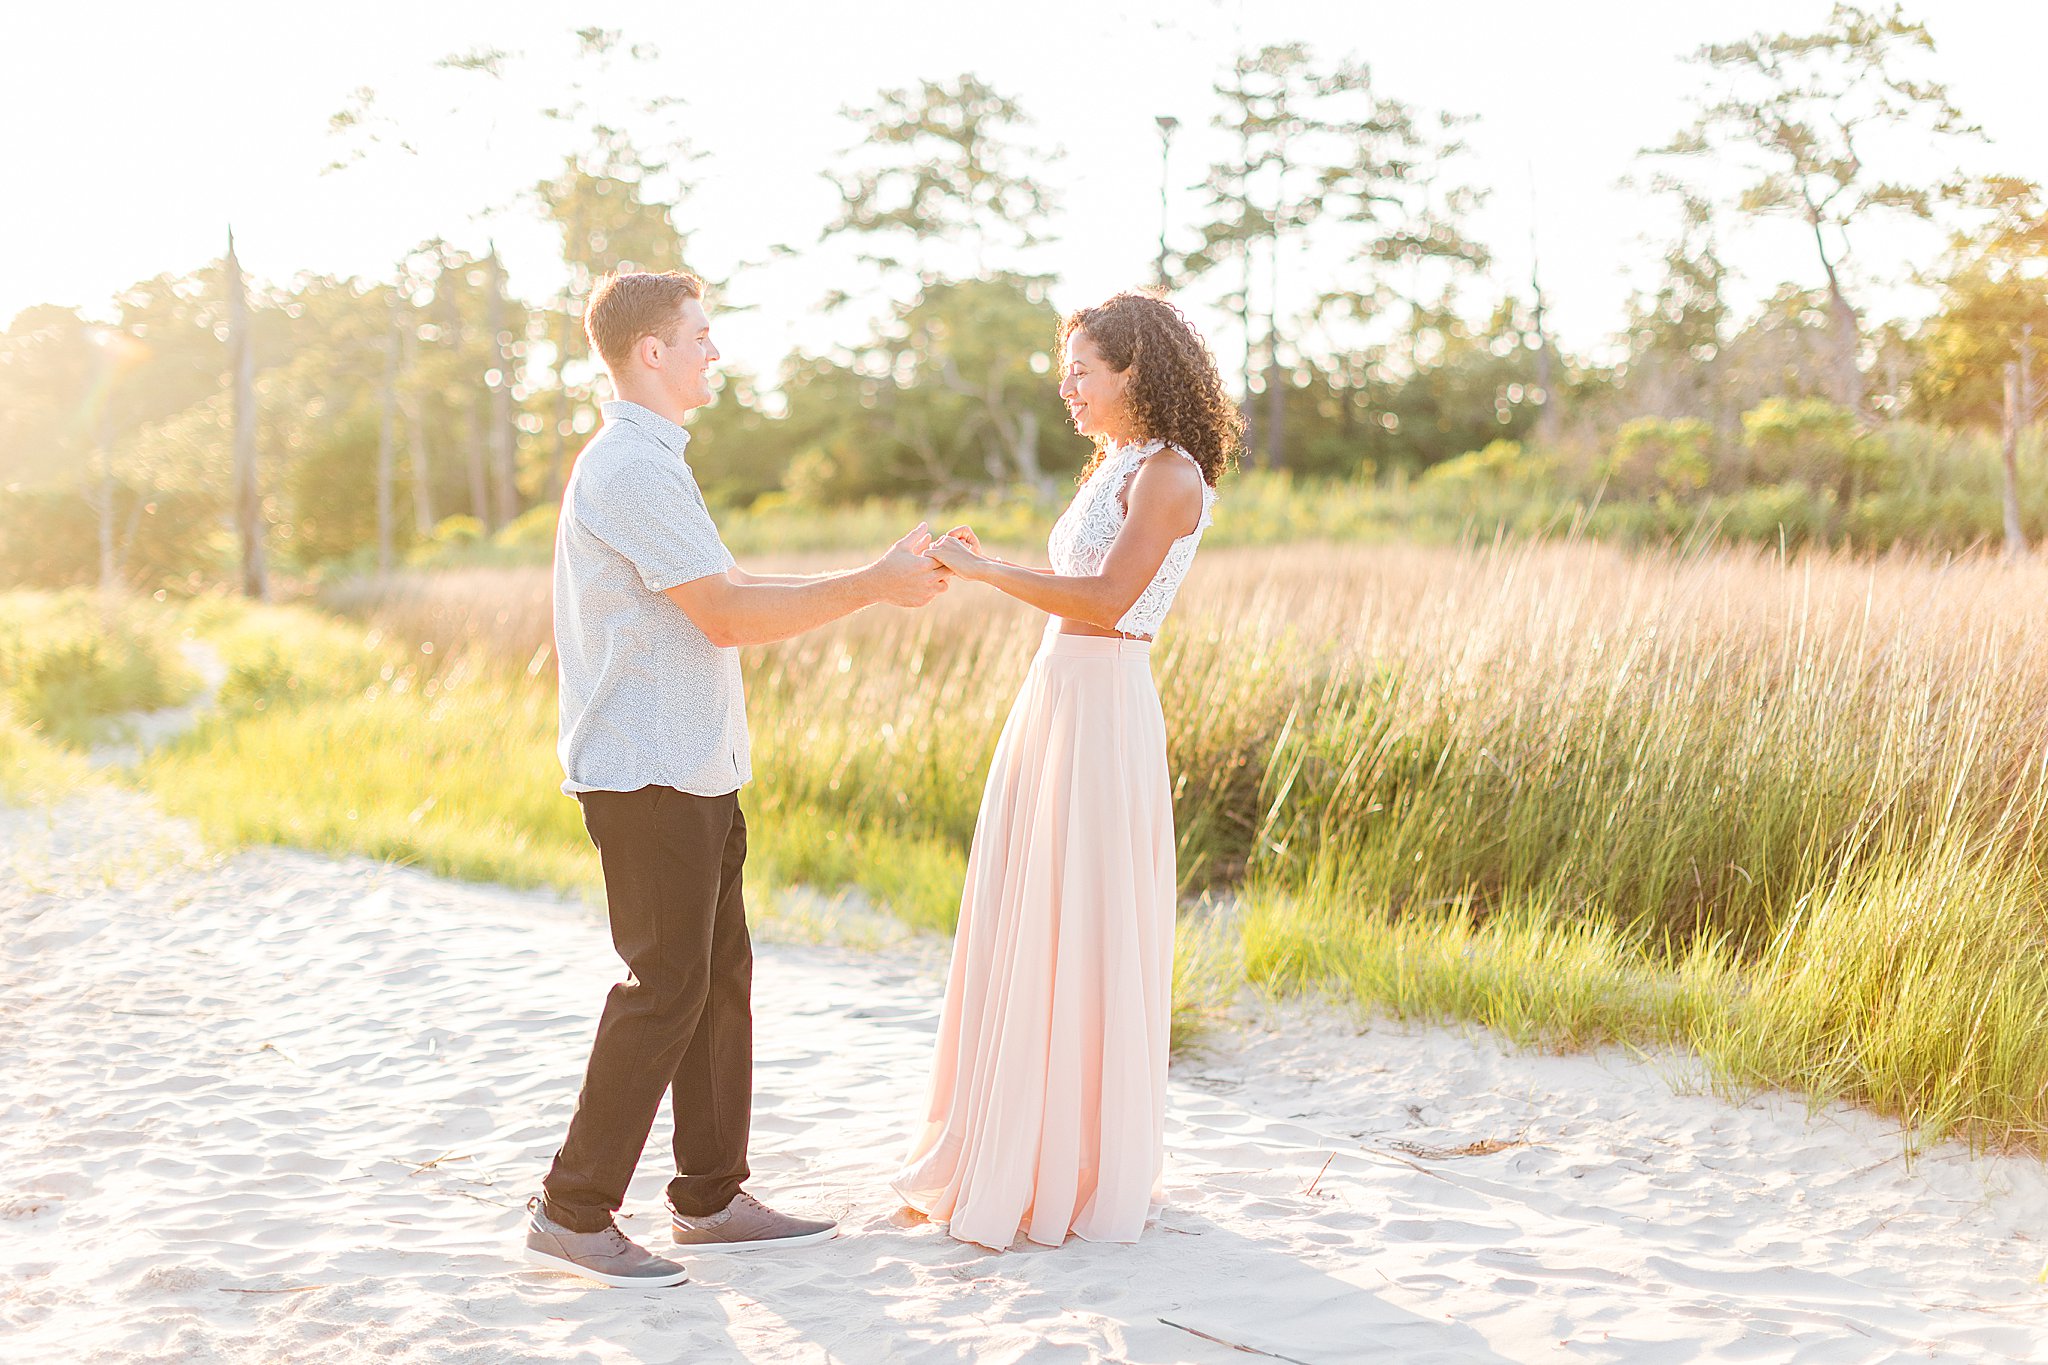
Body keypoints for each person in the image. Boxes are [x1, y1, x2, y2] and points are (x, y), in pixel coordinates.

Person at [524, 269, 954, 1289]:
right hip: (647, 775)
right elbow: (722, 613)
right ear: (650, 353)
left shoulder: (656, 462)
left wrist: (874, 576)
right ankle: (571, 1209)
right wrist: (872, 591)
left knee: (716, 987)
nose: (715, 353)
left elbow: (730, 591)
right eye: (700, 336)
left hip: (695, 767)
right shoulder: (627, 467)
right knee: (663, 988)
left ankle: (709, 1199)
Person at [893, 292, 1241, 1249]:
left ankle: (1074, 1159)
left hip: (1105, 694)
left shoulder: (1170, 474)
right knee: (1030, 909)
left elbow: (1107, 596)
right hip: (1055, 691)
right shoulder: (1117, 464)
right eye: (1068, 369)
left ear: (1136, 368)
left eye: (1084, 368)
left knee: (1081, 915)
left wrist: (988, 569)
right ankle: (1015, 1139)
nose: (1068, 385)